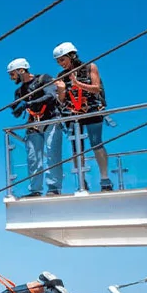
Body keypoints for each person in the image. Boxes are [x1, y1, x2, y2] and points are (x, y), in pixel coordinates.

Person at [53, 42, 113, 192]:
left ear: (71, 56)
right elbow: (61, 100)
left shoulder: (90, 67)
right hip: (74, 115)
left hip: (92, 110)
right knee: (76, 149)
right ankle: (81, 181)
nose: (61, 64)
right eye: (58, 61)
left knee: (96, 143)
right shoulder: (61, 76)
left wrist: (77, 84)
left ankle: (105, 179)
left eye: (62, 59)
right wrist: (60, 91)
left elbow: (96, 88)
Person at [8, 57, 64, 197]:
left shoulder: (43, 79)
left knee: (53, 155)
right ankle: (35, 190)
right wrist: (17, 109)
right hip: (33, 124)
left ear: (21, 70)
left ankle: (54, 188)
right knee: (33, 158)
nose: (11, 77)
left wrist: (28, 104)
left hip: (51, 120)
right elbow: (17, 111)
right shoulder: (19, 92)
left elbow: (50, 96)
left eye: (12, 74)